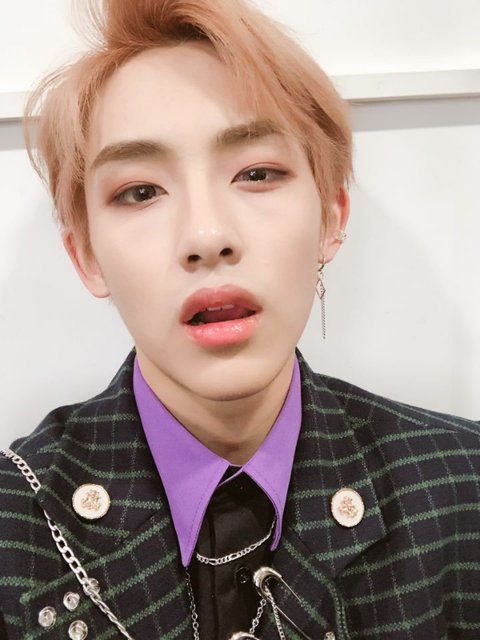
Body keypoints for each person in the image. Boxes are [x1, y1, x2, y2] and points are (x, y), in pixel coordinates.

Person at [1, 0, 479, 638]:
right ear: (87, 255)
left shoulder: (461, 487)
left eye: (257, 173)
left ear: (331, 218)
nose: (207, 236)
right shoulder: (16, 523)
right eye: (140, 191)